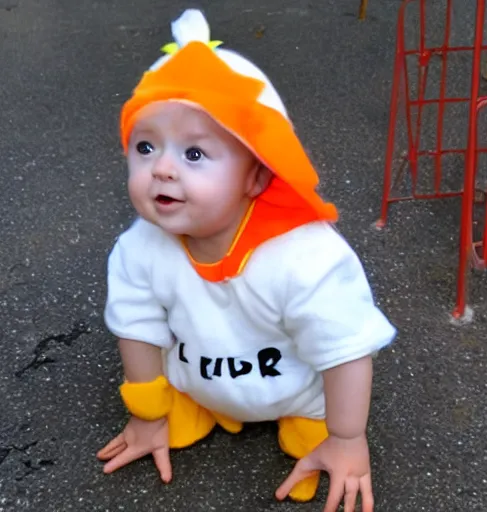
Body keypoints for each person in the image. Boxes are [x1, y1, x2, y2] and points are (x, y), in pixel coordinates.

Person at [96, 9, 396, 512]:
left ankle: (320, 429)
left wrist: (348, 438)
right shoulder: (140, 246)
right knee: (174, 393)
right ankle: (194, 405)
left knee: (319, 422)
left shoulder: (304, 258)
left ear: (257, 176)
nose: (163, 169)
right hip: (198, 381)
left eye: (195, 154)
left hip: (297, 395)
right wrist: (147, 414)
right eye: (145, 147)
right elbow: (138, 326)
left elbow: (345, 347)